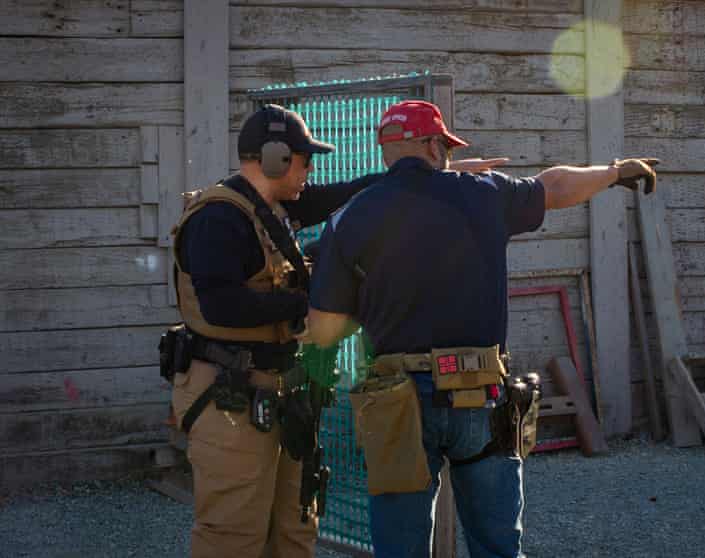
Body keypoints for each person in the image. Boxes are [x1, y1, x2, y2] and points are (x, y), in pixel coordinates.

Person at [302, 99, 658, 558]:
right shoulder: (483, 193)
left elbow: (325, 329)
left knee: (400, 548)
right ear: (432, 144)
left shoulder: (350, 217)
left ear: (385, 149)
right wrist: (613, 172)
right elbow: (554, 185)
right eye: (445, 145)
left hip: (396, 400)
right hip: (480, 391)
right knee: (497, 546)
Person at [166, 103, 505, 558]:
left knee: (296, 523)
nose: (311, 171)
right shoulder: (219, 219)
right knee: (232, 531)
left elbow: (349, 193)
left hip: (281, 391)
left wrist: (435, 177)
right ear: (275, 159)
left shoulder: (274, 206)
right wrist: (315, 301)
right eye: (306, 160)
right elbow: (222, 305)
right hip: (229, 393)